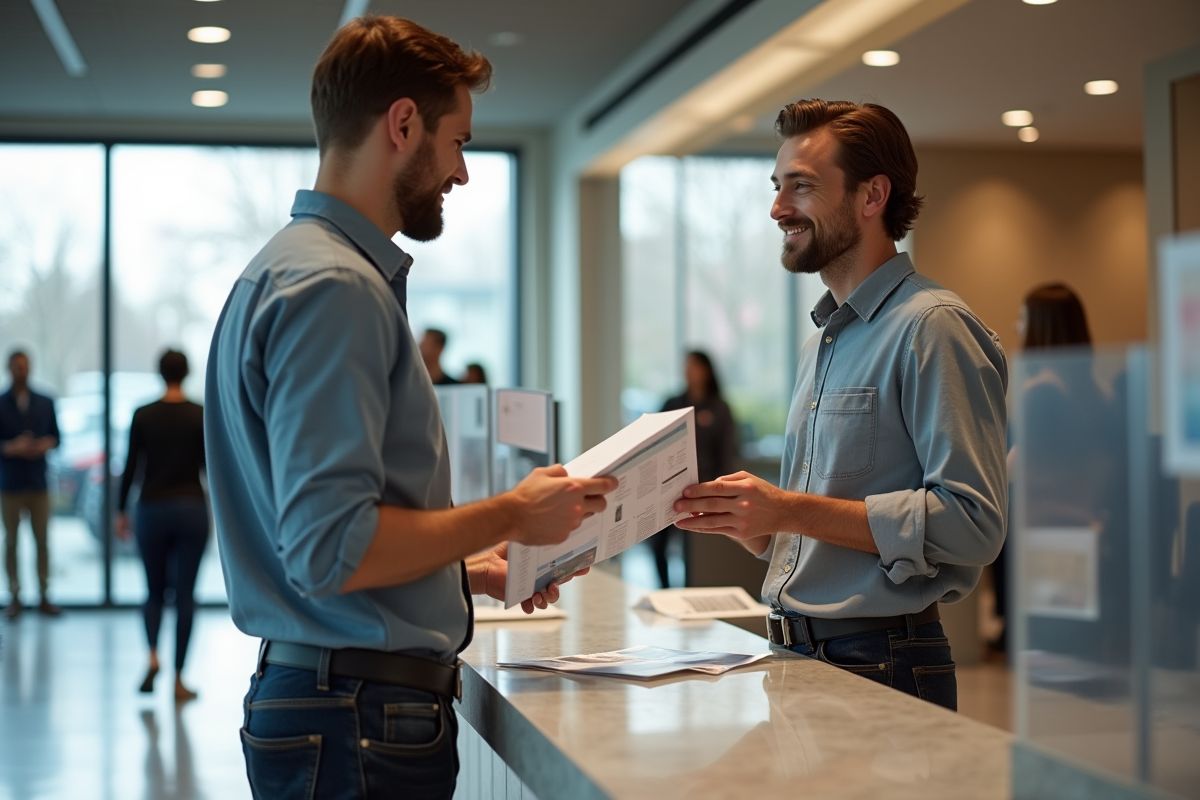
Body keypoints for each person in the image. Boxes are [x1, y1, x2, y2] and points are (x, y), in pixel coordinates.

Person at [204, 16, 616, 800]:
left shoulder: (284, 271)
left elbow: (321, 546)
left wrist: (463, 570)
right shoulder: (336, 290)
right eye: (458, 141)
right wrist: (510, 515)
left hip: (332, 704)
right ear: (403, 124)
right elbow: (332, 549)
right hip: (358, 718)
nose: (461, 172)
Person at [674, 100, 1008, 711]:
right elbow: (825, 529)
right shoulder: (821, 343)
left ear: (872, 196)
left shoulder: (933, 327)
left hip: (880, 663)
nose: (777, 208)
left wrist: (789, 509)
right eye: (777, 187)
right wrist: (755, 522)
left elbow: (973, 524)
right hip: (798, 657)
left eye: (801, 186)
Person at [116, 350, 208, 701]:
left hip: (151, 508)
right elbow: (208, 466)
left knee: (153, 592)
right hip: (190, 508)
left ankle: (153, 656)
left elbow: (130, 467)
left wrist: (121, 511)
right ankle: (179, 679)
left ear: (159, 373)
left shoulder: (144, 415)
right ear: (186, 373)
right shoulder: (199, 414)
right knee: (185, 596)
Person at [654, 351, 737, 587]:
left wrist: (721, 489)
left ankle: (690, 589)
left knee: (694, 545)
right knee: (658, 542)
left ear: (706, 371)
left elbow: (726, 452)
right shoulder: (672, 403)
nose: (688, 371)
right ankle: (664, 590)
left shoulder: (720, 409)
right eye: (686, 366)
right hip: (668, 484)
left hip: (702, 488)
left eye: (693, 366)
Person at [1, 350, 61, 619]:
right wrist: (11, 448)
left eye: (25, 366)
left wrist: (43, 445)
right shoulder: (1, 403)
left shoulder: (45, 402)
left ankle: (44, 595)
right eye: (16, 366)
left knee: (42, 542)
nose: (21, 371)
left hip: (38, 482)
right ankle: (15, 596)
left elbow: (57, 437)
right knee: (11, 542)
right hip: (11, 484)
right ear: (9, 369)